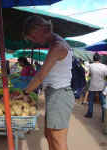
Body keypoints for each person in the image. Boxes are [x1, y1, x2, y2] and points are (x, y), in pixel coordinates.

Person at [22, 16, 75, 150]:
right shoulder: (55, 43)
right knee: (49, 135)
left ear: (43, 29)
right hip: (55, 94)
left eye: (34, 37)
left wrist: (25, 92)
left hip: (60, 94)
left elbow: (40, 76)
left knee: (57, 140)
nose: (34, 41)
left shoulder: (58, 46)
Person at [84, 53, 107, 121]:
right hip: (101, 86)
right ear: (99, 59)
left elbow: (87, 74)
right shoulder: (104, 66)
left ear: (93, 59)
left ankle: (89, 114)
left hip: (92, 85)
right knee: (103, 102)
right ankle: (104, 117)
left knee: (90, 100)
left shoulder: (90, 66)